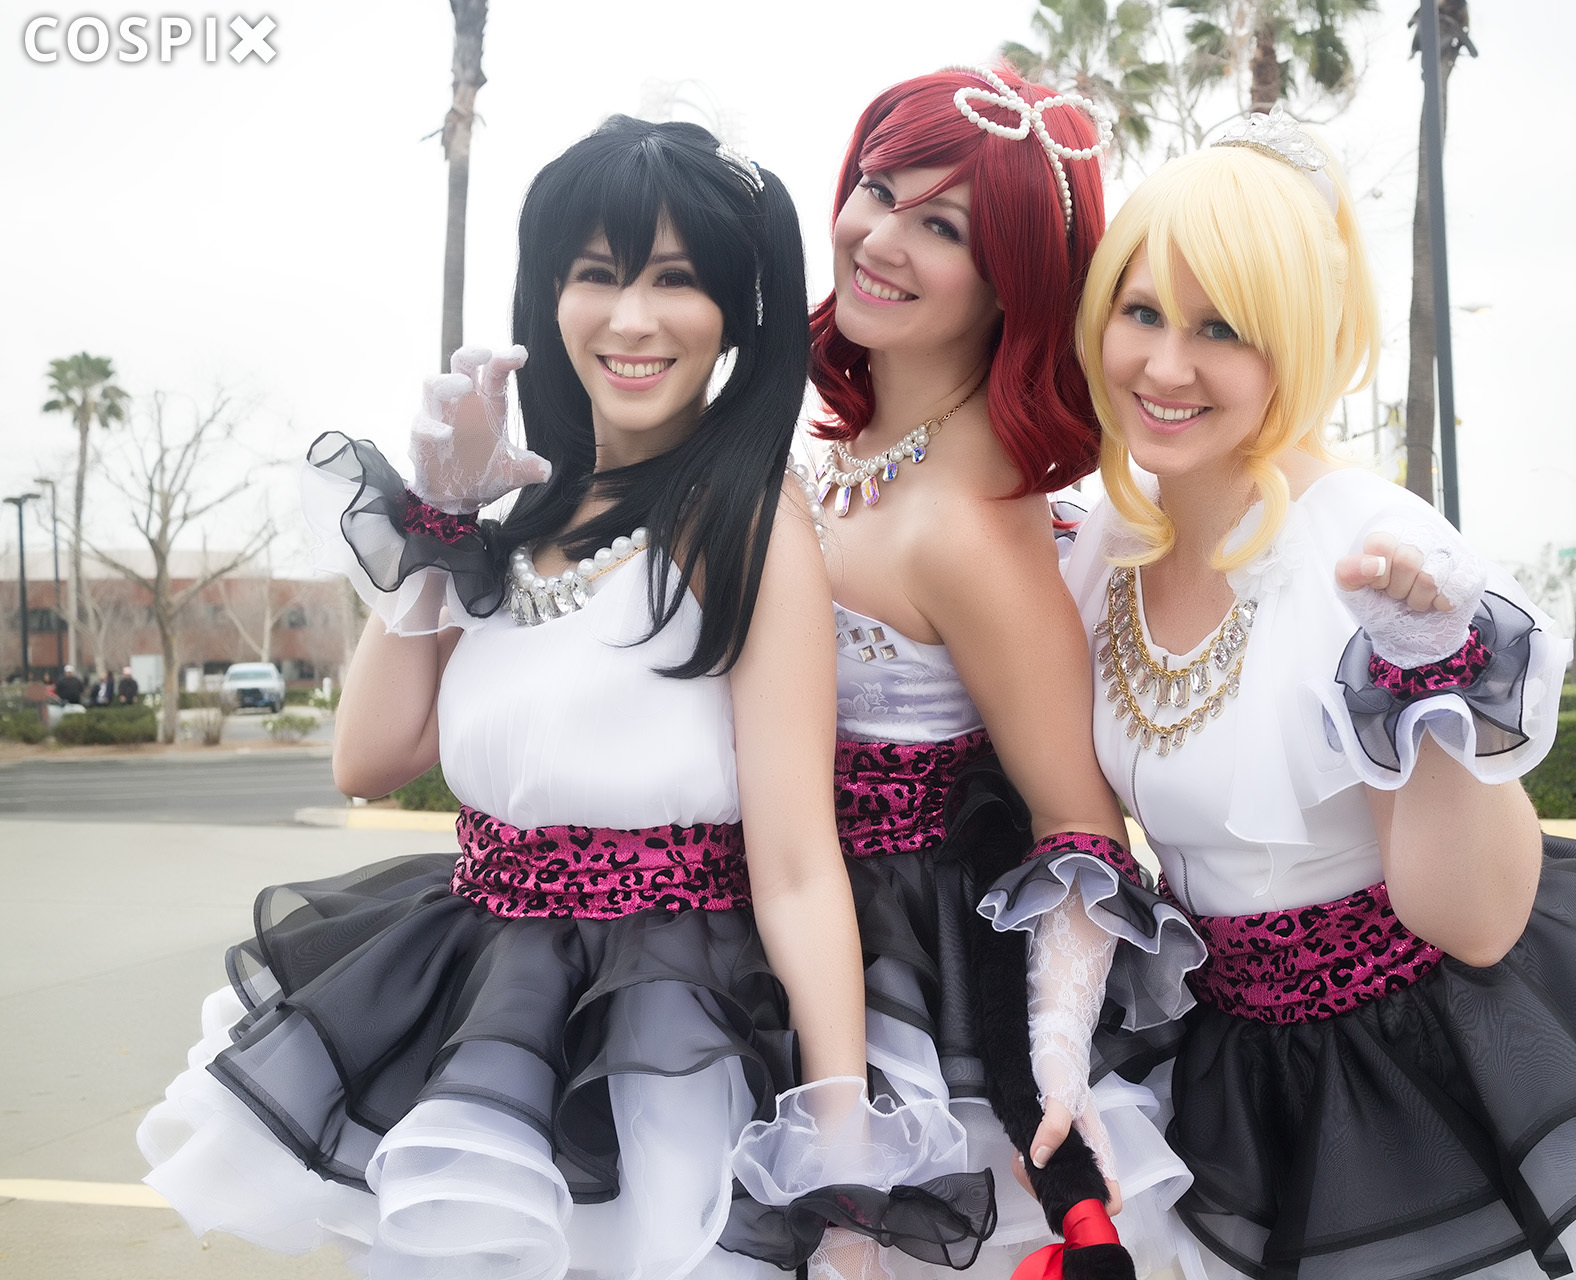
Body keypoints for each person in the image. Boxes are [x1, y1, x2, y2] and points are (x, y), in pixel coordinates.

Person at [138, 117, 989, 1279]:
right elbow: (370, 757)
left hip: (667, 1035)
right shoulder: (513, 515)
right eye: (596, 274)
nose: (631, 319)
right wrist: (440, 516)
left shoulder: (749, 520)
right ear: (549, 295)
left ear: (735, 313)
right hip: (487, 1008)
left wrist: (840, 1162)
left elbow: (797, 862)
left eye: (675, 280)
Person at [1057, 114, 1576, 1280]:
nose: (1166, 365)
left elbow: (1479, 918)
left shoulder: (1373, 547)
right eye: (1142, 312)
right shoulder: (1099, 549)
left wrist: (1425, 663)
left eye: (1222, 328)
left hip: (1423, 1067)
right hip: (1227, 1063)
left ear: (1297, 348)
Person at [806, 66, 1203, 1279]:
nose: (883, 238)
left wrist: (1056, 1050)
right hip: (772, 939)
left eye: (943, 227)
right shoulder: (851, 454)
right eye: (880, 191)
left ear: (1011, 285)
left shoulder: (970, 523)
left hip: (911, 1002)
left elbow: (1075, 816)